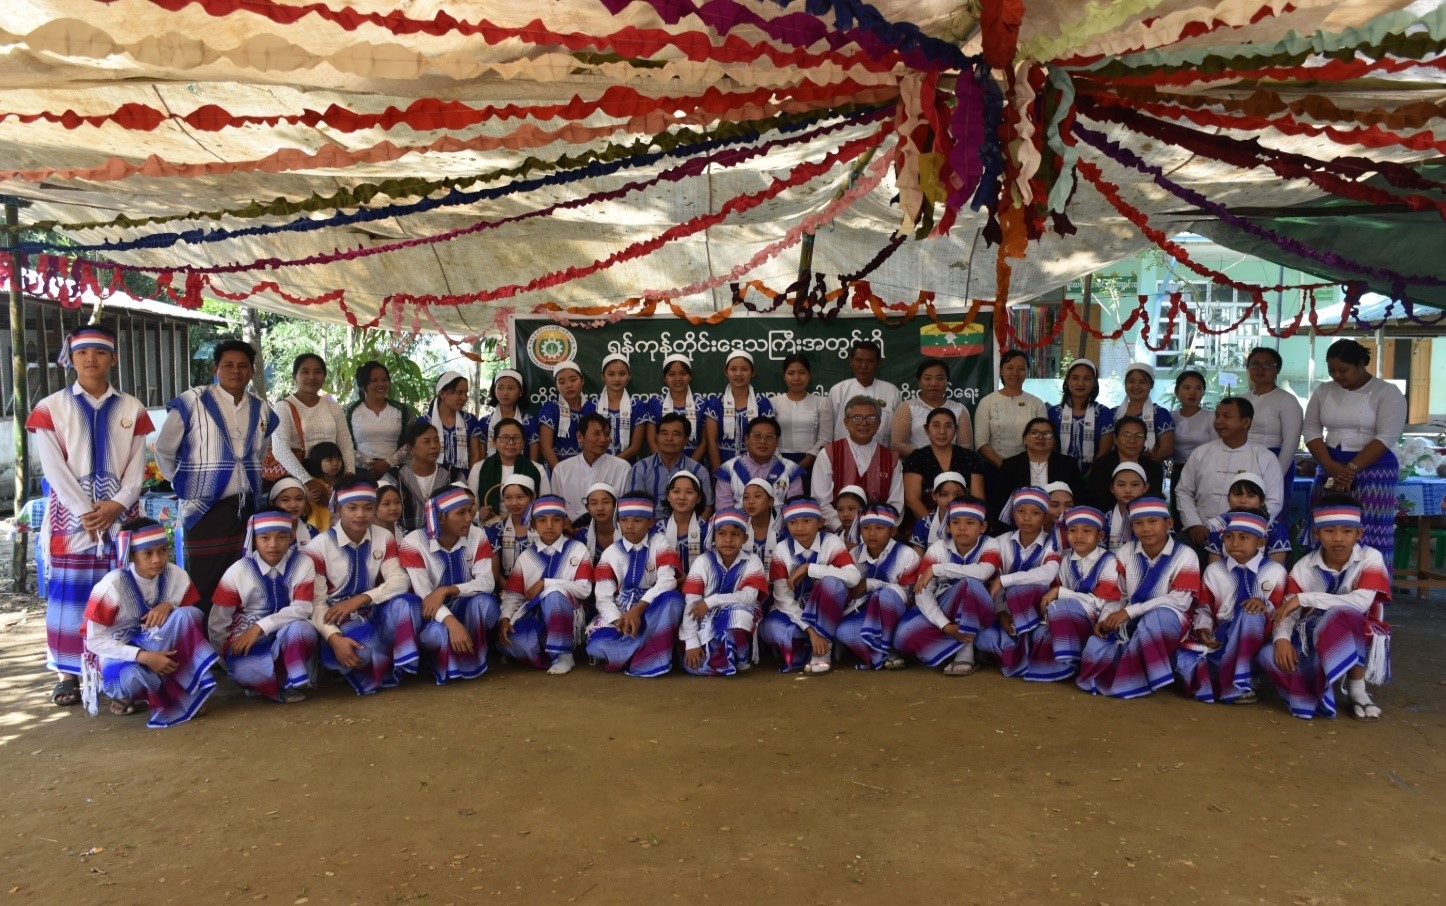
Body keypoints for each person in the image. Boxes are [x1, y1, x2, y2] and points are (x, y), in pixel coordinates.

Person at [28, 325, 153, 706]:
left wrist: (118, 503)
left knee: (120, 593)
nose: (91, 359)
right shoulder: (50, 408)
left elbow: (137, 465)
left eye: (100, 352)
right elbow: (52, 468)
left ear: (112, 358)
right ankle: (67, 673)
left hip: (120, 515)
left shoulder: (132, 408)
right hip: (71, 518)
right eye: (83, 352)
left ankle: (113, 668)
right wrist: (84, 510)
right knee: (70, 594)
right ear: (72, 359)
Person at [155, 339, 278, 616]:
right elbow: (164, 449)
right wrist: (182, 483)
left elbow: (261, 451)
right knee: (205, 580)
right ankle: (205, 647)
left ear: (251, 371)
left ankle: (237, 641)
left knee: (245, 578)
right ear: (216, 368)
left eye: (243, 366)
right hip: (203, 509)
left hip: (246, 508)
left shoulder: (262, 409)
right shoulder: (191, 402)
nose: (236, 371)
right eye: (228, 365)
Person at [1262, 498, 1392, 721]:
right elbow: (1288, 610)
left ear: (1359, 534)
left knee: (1339, 615)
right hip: (1312, 634)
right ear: (1316, 534)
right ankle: (1312, 695)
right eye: (1329, 531)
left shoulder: (1371, 558)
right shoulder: (1304, 566)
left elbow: (1361, 603)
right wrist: (1281, 639)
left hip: (1358, 627)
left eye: (1347, 531)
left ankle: (1356, 689)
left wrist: (1305, 598)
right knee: (1266, 655)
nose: (1338, 538)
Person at [81, 519, 218, 726]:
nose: (158, 559)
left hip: (160, 643)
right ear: (132, 555)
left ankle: (187, 689)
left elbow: (191, 622)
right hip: (121, 650)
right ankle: (125, 695)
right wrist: (143, 656)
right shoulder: (112, 585)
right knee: (130, 678)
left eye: (163, 550)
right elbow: (94, 642)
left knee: (189, 615)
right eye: (148, 553)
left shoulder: (177, 576)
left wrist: (170, 605)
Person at [306, 479, 421, 696]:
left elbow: (400, 580)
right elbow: (316, 603)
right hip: (337, 618)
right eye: (352, 508)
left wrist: (361, 599)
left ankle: (393, 659)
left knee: (409, 604)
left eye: (368, 508)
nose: (361, 514)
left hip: (372, 607)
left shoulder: (383, 537)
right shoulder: (318, 547)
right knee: (364, 651)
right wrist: (334, 638)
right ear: (339, 509)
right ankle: (334, 657)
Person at [1076, 498, 1199, 699]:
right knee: (1095, 647)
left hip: (1173, 620)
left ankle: (1132, 681)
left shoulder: (1186, 555)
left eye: (1153, 521)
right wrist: (1106, 618)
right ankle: (1142, 672)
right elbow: (1119, 595)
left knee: (1156, 620)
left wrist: (1130, 612)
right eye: (1138, 523)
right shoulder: (1125, 552)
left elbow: (1180, 601)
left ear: (1169, 524)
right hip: (1130, 619)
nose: (1146, 528)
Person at [1302, 339, 1408, 565]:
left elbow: (1387, 436)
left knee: (1368, 528)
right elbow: (1310, 429)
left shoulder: (1386, 392)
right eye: (1332, 370)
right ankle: (1324, 586)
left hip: (1373, 466)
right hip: (1330, 462)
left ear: (1361, 364)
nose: (1337, 376)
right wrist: (1330, 466)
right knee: (1327, 523)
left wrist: (1350, 470)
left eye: (1343, 370)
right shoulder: (1323, 390)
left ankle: (1370, 590)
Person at [209, 511, 319, 703]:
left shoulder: (303, 562)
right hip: (244, 638)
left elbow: (302, 608)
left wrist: (260, 627)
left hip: (286, 632)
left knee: (304, 629)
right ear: (254, 539)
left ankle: (285, 682)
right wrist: (225, 659)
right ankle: (264, 681)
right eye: (265, 537)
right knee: (245, 670)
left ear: (291, 537)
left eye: (282, 537)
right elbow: (218, 622)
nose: (273, 545)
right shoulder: (238, 570)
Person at [1175, 511, 1285, 704]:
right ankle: (1234, 677)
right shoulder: (1214, 571)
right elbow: (1204, 608)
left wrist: (1264, 604)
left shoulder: (1275, 572)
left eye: (1244, 537)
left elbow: (1282, 611)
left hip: (1258, 638)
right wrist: (1204, 628)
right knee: (1185, 660)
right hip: (1222, 636)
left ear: (1261, 542)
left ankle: (1241, 680)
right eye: (1228, 537)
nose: (1235, 543)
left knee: (1250, 613)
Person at [400, 487, 499, 684]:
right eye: (460, 513)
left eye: (470, 511)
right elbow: (425, 596)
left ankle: (473, 660)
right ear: (440, 518)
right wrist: (452, 623)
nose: (469, 518)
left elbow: (487, 582)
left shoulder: (477, 535)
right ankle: (438, 663)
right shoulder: (413, 542)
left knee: (486, 603)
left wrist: (446, 590)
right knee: (440, 633)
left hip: (465, 607)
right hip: (430, 617)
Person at [894, 497, 1001, 675]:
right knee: (902, 638)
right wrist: (945, 626)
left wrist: (938, 569)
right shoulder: (938, 548)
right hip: (946, 609)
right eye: (955, 522)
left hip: (983, 613)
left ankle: (965, 654)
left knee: (970, 585)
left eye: (970, 522)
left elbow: (982, 573)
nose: (962, 528)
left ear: (982, 527)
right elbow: (922, 593)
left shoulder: (990, 544)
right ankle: (956, 642)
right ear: (948, 526)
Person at [585, 494, 686, 677]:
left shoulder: (659, 542)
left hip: (653, 608)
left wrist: (638, 610)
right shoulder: (611, 553)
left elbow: (667, 581)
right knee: (595, 647)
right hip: (623, 612)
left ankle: (644, 657)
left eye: (637, 520)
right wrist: (620, 622)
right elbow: (603, 598)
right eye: (624, 520)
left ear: (650, 522)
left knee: (673, 600)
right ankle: (651, 648)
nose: (629, 526)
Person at [758, 498, 862, 674]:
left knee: (832, 584)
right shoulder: (782, 550)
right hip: (794, 614)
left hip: (828, 612)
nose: (800, 528)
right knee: (773, 630)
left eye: (807, 521)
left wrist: (809, 568)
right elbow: (783, 600)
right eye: (793, 522)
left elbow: (853, 577)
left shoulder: (831, 542)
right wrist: (811, 630)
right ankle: (813, 643)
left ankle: (822, 652)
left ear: (820, 522)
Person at [498, 495, 594, 675]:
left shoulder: (577, 549)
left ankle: (563, 654)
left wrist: (546, 583)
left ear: (565, 522)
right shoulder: (527, 556)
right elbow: (513, 595)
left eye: (556, 520)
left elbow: (584, 589)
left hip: (570, 617)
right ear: (533, 525)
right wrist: (505, 618)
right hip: (536, 617)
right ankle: (546, 647)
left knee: (555, 594)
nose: (549, 525)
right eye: (542, 520)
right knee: (509, 642)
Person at [977, 488, 1064, 680]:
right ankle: (1013, 655)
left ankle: (1020, 652)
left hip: (1037, 614)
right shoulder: (999, 542)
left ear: (1044, 517)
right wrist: (1000, 613)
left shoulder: (1053, 544)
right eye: (1021, 511)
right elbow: (993, 579)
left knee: (1040, 631)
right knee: (983, 638)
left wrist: (1006, 580)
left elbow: (1047, 574)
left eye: (1035, 513)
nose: (1027, 518)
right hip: (1004, 611)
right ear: (1013, 513)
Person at [1175, 397, 1284, 548]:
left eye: (1226, 416)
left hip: (1248, 534)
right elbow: (1183, 491)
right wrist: (1194, 524)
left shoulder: (1265, 458)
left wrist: (1246, 528)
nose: (1219, 421)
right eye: (1217, 416)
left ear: (1245, 422)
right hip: (1201, 532)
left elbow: (1274, 501)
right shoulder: (1200, 453)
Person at [680, 509, 769, 677]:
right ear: (714, 537)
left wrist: (712, 601)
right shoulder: (703, 561)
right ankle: (720, 658)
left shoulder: (752, 561)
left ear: (745, 538)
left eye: (735, 534)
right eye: (721, 533)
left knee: (739, 614)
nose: (728, 539)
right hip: (704, 616)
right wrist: (691, 642)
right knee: (693, 662)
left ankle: (739, 656)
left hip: (738, 610)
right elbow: (692, 603)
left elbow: (749, 597)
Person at [1036, 505, 1120, 680]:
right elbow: (1055, 597)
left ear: (1100, 536)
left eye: (1087, 530)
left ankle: (1070, 661)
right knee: (1040, 632)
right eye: (1073, 530)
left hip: (1099, 618)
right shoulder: (1066, 561)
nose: (1079, 536)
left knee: (1062, 606)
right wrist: (1060, 595)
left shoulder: (1109, 560)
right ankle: (1065, 662)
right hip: (1071, 616)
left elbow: (1101, 601)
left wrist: (1062, 592)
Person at [836, 503, 919, 670]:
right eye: (866, 528)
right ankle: (881, 653)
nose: (871, 533)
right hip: (865, 612)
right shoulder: (854, 554)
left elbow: (909, 594)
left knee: (885, 595)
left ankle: (890, 649)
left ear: (893, 531)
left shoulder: (907, 554)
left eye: (879, 528)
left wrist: (870, 585)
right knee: (843, 631)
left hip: (898, 614)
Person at [811, 396, 904, 530]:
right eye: (856, 418)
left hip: (878, 533)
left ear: (878, 423)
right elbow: (821, 502)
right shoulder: (828, 453)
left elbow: (896, 504)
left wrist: (874, 528)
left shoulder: (891, 458)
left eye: (870, 418)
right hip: (837, 533)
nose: (864, 423)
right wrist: (843, 530)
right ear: (846, 422)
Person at [270, 353, 356, 498]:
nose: (312, 377)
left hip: (334, 478)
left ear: (324, 376)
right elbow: (280, 448)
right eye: (305, 371)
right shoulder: (283, 407)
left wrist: (349, 474)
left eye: (317, 372)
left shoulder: (333, 407)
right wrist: (307, 480)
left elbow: (345, 443)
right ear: (294, 376)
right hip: (299, 481)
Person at [1242, 346, 1304, 506]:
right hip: (1243, 459)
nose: (1260, 369)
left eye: (1268, 365)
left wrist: (1276, 476)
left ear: (1278, 370)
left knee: (1270, 512)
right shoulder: (1243, 399)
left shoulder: (1287, 400)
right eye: (1254, 364)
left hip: (1274, 460)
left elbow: (1291, 443)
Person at [992, 418, 1085, 524]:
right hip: (1020, 525)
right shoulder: (1010, 465)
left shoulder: (1068, 464)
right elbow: (1000, 502)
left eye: (1047, 434)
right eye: (1034, 433)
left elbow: (1079, 499)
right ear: (1025, 439)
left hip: (1059, 524)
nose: (1040, 437)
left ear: (1054, 441)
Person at [902, 406, 985, 523]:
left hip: (963, 523)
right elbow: (912, 499)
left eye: (948, 426)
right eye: (936, 425)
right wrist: (936, 528)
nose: (942, 431)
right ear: (926, 429)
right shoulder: (917, 457)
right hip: (926, 524)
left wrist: (959, 525)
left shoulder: (969, 457)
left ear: (955, 430)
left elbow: (978, 499)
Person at [387, 421, 468, 535]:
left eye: (436, 440)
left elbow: (467, 507)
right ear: (410, 448)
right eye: (427, 441)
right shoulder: (394, 476)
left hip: (446, 540)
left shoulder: (453, 475)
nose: (434, 446)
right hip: (402, 542)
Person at [974, 350, 1048, 471]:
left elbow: (1043, 439)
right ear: (1001, 371)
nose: (1015, 373)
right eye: (1010, 368)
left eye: (1021, 368)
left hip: (1031, 469)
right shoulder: (987, 402)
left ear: (1026, 372)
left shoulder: (1037, 404)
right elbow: (981, 443)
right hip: (995, 469)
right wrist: (1004, 467)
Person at [631, 413, 714, 520]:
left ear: (686, 440)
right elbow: (634, 505)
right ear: (657, 437)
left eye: (676, 434)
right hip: (650, 529)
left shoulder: (698, 471)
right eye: (664, 433)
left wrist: (691, 532)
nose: (669, 438)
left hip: (686, 529)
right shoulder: (640, 468)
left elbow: (706, 509)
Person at [346, 361, 419, 481]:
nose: (381, 384)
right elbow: (343, 443)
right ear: (362, 385)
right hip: (359, 474)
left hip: (396, 473)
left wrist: (388, 463)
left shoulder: (403, 411)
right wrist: (370, 464)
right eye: (374, 381)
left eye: (384, 380)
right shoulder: (349, 411)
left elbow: (412, 442)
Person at [552, 413, 631, 523]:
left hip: (610, 532)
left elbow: (624, 510)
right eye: (596, 434)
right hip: (571, 533)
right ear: (580, 436)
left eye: (607, 434)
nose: (603, 439)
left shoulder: (622, 468)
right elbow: (556, 510)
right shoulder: (561, 470)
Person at [468, 416, 549, 524]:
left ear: (524, 442)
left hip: (527, 527)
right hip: (489, 527)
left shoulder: (537, 469)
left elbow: (545, 505)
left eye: (516, 438)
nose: (511, 443)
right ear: (494, 441)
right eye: (505, 438)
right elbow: (470, 507)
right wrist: (479, 514)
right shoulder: (479, 468)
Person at [714, 415, 804, 511]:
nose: (763, 441)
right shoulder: (727, 470)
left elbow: (795, 509)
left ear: (777, 441)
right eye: (757, 436)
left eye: (769, 437)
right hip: (739, 524)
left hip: (779, 524)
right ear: (746, 440)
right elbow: (723, 511)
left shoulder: (791, 470)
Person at [704, 349, 774, 470]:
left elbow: (769, 438)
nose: (738, 373)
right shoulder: (716, 403)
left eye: (744, 369)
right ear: (726, 372)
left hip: (757, 468)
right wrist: (719, 473)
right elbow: (711, 441)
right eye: (733, 369)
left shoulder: (762, 403)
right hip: (723, 465)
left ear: (753, 372)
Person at [1202, 474, 1291, 565]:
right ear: (1228, 498)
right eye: (1237, 495)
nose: (1243, 500)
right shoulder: (1218, 527)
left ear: (1262, 501)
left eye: (1251, 496)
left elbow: (1274, 572)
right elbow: (1214, 570)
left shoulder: (1275, 530)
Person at [892, 360, 973, 455]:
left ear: (947, 382)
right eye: (927, 378)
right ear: (919, 382)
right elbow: (897, 444)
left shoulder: (960, 409)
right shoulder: (907, 407)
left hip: (952, 467)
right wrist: (926, 460)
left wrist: (947, 461)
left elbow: (966, 445)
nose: (934, 383)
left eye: (940, 378)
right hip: (916, 466)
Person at [1083, 416, 1164, 511]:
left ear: (1145, 440)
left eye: (1139, 436)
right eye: (1126, 435)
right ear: (1115, 438)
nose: (1132, 441)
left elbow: (1153, 500)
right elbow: (1099, 500)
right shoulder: (1101, 465)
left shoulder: (1154, 468)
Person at [1048, 359, 1114, 473]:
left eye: (1087, 379)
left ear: (1094, 383)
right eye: (1075, 378)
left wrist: (1089, 476)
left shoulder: (1104, 413)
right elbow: (1050, 448)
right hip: (1058, 473)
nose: (1080, 383)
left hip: (1095, 475)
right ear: (1067, 381)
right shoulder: (1053, 413)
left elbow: (1104, 452)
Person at [827, 340, 902, 440]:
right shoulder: (838, 391)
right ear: (851, 361)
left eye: (870, 361)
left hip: (882, 453)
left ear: (878, 363)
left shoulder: (892, 391)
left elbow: (898, 433)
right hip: (844, 453)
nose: (863, 366)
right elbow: (828, 431)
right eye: (859, 360)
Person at [769, 353, 832, 471]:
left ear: (809, 375)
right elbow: (769, 435)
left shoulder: (822, 402)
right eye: (791, 373)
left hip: (813, 462)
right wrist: (782, 463)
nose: (796, 378)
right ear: (784, 376)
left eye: (802, 373)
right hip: (778, 462)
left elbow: (825, 438)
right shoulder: (773, 403)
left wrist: (804, 464)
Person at [647, 353, 707, 463]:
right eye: (672, 374)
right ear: (664, 378)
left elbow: (704, 442)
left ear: (690, 376)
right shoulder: (655, 403)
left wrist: (689, 466)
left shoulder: (702, 404)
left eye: (683, 373)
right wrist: (665, 464)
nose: (678, 378)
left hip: (694, 465)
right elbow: (652, 440)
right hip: (661, 464)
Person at [594, 353, 651, 462]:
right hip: (596, 463)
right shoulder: (592, 405)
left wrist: (612, 464)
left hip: (627, 465)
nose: (617, 379)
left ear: (629, 375)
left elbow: (635, 447)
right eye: (611, 374)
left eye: (622, 374)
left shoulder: (637, 406)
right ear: (602, 376)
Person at [425, 370, 485, 472]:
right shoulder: (425, 422)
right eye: (459, 392)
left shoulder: (470, 421)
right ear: (442, 394)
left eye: (466, 393)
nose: (464, 398)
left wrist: (471, 482)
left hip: (463, 482)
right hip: (432, 480)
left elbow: (476, 455)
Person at [1114, 362, 1175, 462]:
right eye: (1131, 381)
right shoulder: (1113, 413)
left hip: (1148, 473)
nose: (1136, 386)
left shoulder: (1160, 414)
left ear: (1151, 385)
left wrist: (1141, 469)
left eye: (1142, 382)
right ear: (1125, 383)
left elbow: (1167, 450)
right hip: (1115, 471)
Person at [538, 360, 593, 469]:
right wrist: (561, 475)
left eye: (573, 380)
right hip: (559, 469)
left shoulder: (593, 407)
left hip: (590, 469)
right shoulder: (550, 409)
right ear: (556, 386)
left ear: (582, 381)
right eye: (562, 382)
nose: (568, 385)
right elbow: (545, 448)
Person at [485, 475, 538, 587]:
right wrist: (511, 590)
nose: (514, 503)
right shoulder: (495, 531)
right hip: (506, 591)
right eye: (508, 498)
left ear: (532, 497)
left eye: (520, 497)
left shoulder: (544, 529)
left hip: (539, 590)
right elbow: (495, 572)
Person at [478, 369, 540, 462]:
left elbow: (534, 463)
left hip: (522, 474)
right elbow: (480, 461)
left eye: (511, 388)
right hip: (491, 474)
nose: (505, 393)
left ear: (520, 392)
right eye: (500, 388)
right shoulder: (484, 422)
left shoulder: (529, 422)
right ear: (494, 391)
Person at [909, 472, 969, 554]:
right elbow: (917, 559)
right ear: (934, 495)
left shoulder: (972, 523)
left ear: (965, 495)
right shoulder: (923, 524)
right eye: (944, 495)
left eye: (957, 495)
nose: (951, 500)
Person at [1169, 370, 1215, 475]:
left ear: (1203, 392)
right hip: (1178, 470)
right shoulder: (1170, 417)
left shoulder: (1212, 417)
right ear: (1176, 392)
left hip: (1205, 471)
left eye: (1198, 388)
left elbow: (1216, 448)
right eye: (1187, 388)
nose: (1192, 392)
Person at [738, 477, 782, 579]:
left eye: (757, 496)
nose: (751, 501)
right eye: (746, 497)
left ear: (770, 501)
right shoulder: (739, 530)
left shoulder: (782, 531)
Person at [1103, 462, 1149, 552]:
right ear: (1112, 488)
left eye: (1135, 484)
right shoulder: (1104, 520)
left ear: (1145, 488)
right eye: (1121, 485)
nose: (1128, 490)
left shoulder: (1157, 517)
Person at [574, 482, 619, 564]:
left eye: (606, 502)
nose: (600, 508)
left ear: (615, 504)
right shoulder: (582, 536)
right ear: (587, 507)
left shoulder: (627, 533)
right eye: (594, 503)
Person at [833, 485, 867, 549]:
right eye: (840, 509)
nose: (845, 514)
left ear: (863, 509)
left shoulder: (869, 539)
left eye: (851, 509)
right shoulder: (833, 539)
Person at [374, 482, 406, 546]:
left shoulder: (407, 536)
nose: (394, 508)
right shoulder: (363, 538)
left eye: (397, 502)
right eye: (386, 503)